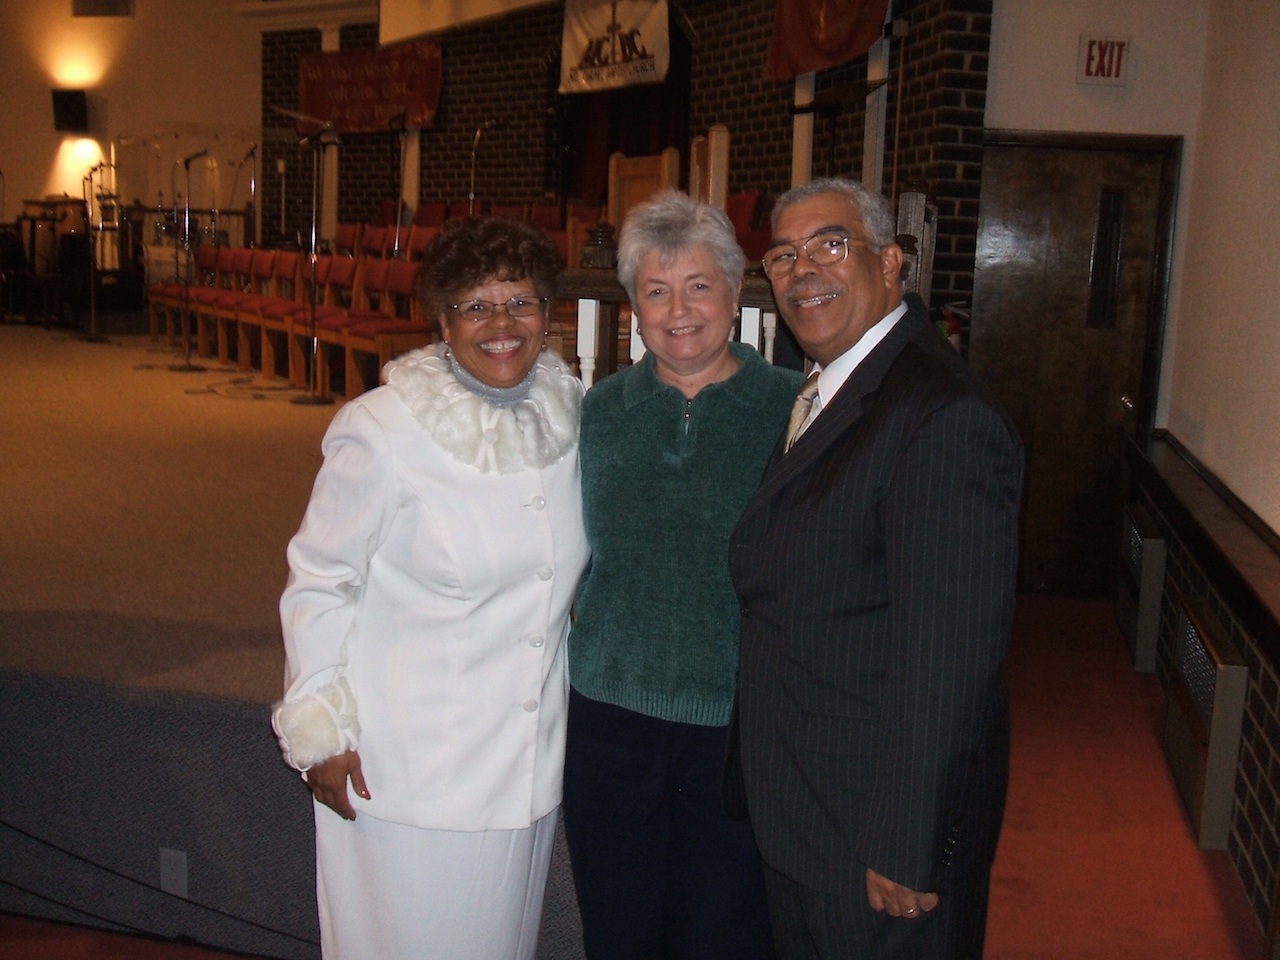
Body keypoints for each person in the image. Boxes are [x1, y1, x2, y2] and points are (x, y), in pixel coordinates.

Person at [271, 217, 590, 960]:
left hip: (525, 773)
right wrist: (321, 728)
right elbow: (320, 580)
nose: (502, 324)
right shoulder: (383, 429)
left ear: (548, 313)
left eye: (521, 301)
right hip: (409, 779)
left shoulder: (570, 420)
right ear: (443, 321)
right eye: (476, 305)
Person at [729, 178, 1024, 959]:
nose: (802, 272)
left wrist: (908, 840)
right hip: (811, 800)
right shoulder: (836, 387)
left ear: (892, 264)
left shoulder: (939, 415)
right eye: (783, 256)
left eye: (830, 244)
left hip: (871, 829)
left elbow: (950, 656)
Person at [563, 189, 803, 959]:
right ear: (631, 304)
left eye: (699, 286)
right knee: (620, 930)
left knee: (724, 937)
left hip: (738, 728)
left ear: (736, 293)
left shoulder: (793, 413)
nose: (679, 311)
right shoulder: (597, 414)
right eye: (655, 291)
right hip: (609, 720)